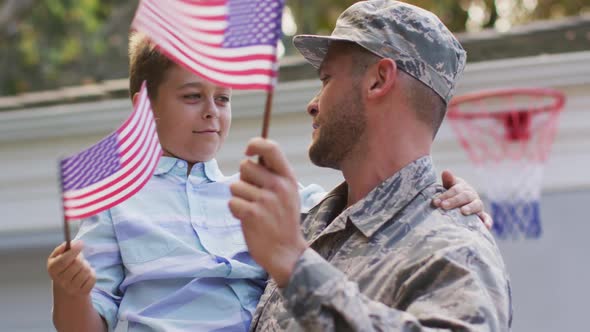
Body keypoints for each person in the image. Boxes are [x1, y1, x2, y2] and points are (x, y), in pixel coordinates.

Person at [46, 32, 491, 332]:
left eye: (222, 98)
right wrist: (70, 291)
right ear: (144, 104)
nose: (211, 111)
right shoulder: (117, 203)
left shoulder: (265, 195)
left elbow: (363, 209)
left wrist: (448, 195)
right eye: (191, 96)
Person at [228, 1, 512, 331]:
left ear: (378, 80)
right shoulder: (307, 228)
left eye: (326, 79)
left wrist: (295, 264)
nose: (312, 104)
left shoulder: (455, 249)